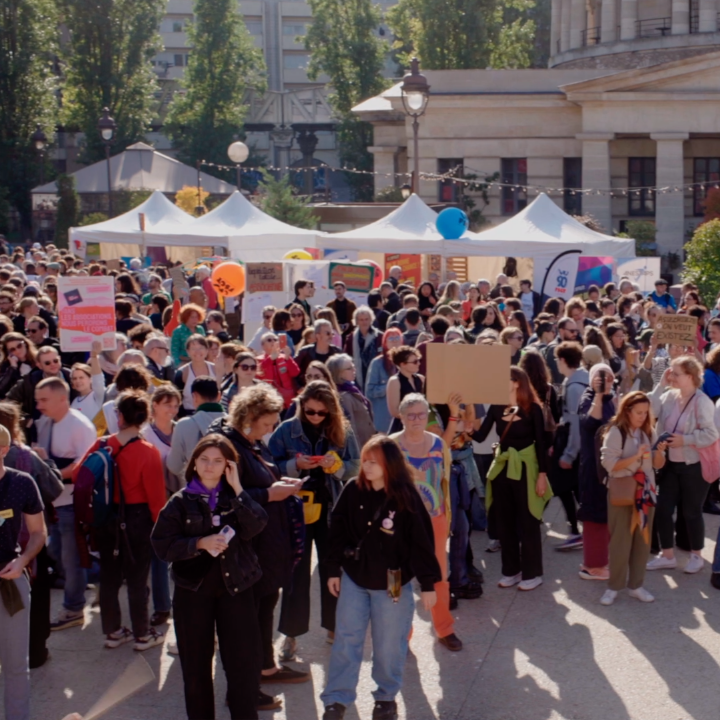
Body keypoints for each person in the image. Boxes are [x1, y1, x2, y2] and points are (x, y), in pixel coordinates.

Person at [320, 436, 440, 720]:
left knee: (389, 643)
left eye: (375, 462)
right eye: (365, 460)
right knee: (346, 640)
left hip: (393, 580)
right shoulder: (352, 489)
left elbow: (422, 542)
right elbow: (336, 531)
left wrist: (428, 584)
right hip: (355, 577)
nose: (368, 466)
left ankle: (385, 698)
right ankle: (336, 700)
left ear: (391, 466)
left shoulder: (406, 497)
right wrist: (333, 569)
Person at [151, 434, 268, 720]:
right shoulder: (180, 502)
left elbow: (257, 525)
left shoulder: (236, 498)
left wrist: (238, 489)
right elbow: (162, 545)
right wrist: (198, 543)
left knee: (243, 665)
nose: (209, 466)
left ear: (229, 466)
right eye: (204, 459)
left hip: (236, 588)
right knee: (196, 668)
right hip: (193, 591)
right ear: (194, 462)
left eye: (217, 461)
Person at [210, 384, 307, 709]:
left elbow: (258, 480)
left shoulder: (248, 442)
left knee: (263, 611)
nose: (270, 430)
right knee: (245, 625)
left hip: (264, 549)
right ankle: (243, 693)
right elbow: (222, 500)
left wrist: (279, 486)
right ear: (248, 416)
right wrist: (270, 494)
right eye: (266, 424)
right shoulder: (225, 446)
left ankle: (265, 668)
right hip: (245, 552)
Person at [268, 381, 360, 661]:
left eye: (322, 412)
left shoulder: (342, 429)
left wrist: (337, 467)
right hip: (296, 508)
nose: (316, 417)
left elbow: (356, 465)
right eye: (310, 411)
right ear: (301, 407)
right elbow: (268, 466)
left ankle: (334, 628)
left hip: (331, 507)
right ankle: (291, 635)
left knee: (333, 569)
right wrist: (295, 465)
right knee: (295, 573)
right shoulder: (286, 430)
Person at [77, 391, 166, 650]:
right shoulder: (148, 451)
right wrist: (161, 529)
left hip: (106, 517)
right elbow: (156, 498)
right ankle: (142, 634)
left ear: (120, 416)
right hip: (138, 519)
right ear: (145, 418)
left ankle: (113, 632)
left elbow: (81, 473)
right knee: (138, 580)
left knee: (109, 577)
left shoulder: (102, 444)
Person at [390, 393, 462, 651]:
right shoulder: (390, 446)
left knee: (439, 574)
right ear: (401, 417)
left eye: (421, 414)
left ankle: (444, 628)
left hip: (434, 519)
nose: (417, 419)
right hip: (399, 523)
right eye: (410, 415)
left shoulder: (438, 444)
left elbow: (444, 481)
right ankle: (398, 634)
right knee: (395, 577)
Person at [472, 367, 552, 591]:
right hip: (503, 467)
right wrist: (466, 427)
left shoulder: (533, 409)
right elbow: (481, 435)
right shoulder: (496, 407)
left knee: (528, 522)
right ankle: (511, 571)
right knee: (504, 521)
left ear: (517, 382)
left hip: (526, 468)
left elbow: (541, 444)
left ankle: (532, 574)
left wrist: (542, 476)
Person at [0, 402, 63, 669]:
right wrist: (47, 461)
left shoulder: (18, 473)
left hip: (16, 553)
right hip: (24, 552)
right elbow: (54, 488)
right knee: (34, 604)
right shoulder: (27, 456)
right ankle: (36, 653)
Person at [34, 377, 97, 631]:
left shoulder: (80, 426)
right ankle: (95, 578)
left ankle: (73, 608)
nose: (39, 405)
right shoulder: (45, 422)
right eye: (37, 400)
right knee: (58, 553)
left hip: (71, 503)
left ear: (62, 399)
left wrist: (51, 471)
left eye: (44, 400)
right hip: (52, 503)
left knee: (71, 559)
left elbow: (85, 466)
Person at [647, 356, 719, 573]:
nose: (672, 376)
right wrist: (661, 384)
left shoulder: (702, 401)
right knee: (662, 508)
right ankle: (667, 555)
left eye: (676, 373)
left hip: (693, 465)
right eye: (670, 372)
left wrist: (685, 440)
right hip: (669, 463)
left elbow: (711, 434)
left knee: (691, 511)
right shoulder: (669, 396)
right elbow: (650, 411)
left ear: (690, 376)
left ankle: (696, 556)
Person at [599, 392, 668, 605]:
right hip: (622, 492)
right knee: (620, 542)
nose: (642, 416)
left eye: (645, 412)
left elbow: (658, 465)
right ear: (627, 411)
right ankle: (613, 587)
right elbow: (609, 464)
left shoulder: (649, 431)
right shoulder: (616, 431)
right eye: (638, 412)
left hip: (646, 493)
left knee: (643, 541)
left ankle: (636, 586)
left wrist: (659, 452)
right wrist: (636, 456)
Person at [0, 423, 47, 720]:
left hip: (10, 581)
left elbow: (38, 532)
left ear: (3, 451)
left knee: (16, 664)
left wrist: (23, 560)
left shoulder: (21, 483)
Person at [141, 384, 182, 627]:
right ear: (154, 405)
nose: (173, 409)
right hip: (154, 501)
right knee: (159, 556)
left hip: (181, 498)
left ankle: (183, 604)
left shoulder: (182, 429)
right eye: (168, 404)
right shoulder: (145, 433)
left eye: (176, 405)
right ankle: (162, 606)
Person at [576, 364, 615, 581]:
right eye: (601, 377)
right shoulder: (588, 397)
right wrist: (598, 394)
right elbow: (589, 422)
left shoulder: (611, 399)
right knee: (594, 516)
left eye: (609, 377)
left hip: (607, 467)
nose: (606, 381)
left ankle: (602, 561)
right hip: (592, 468)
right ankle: (592, 566)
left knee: (606, 515)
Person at [551, 341, 589, 551]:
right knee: (574, 489)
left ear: (563, 360)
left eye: (557, 359)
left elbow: (575, 423)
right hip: (578, 444)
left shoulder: (574, 386)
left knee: (563, 487)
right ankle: (580, 530)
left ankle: (576, 531)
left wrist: (569, 454)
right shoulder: (580, 379)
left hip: (573, 445)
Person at [167, 376, 226, 478]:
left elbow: (174, 467)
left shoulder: (183, 425)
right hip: (230, 485)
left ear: (195, 396)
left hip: (196, 484)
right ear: (219, 396)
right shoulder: (236, 424)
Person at [327, 354, 376, 450]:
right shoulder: (343, 396)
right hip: (359, 448)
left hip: (367, 443)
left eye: (353, 366)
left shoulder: (352, 389)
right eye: (349, 368)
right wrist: (356, 452)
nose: (354, 370)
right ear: (338, 373)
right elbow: (350, 428)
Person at [366, 328, 403, 433]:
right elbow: (370, 391)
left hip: (404, 417)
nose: (394, 340)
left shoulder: (407, 362)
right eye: (390, 338)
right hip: (384, 419)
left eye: (397, 337)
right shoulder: (377, 363)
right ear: (385, 343)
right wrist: (391, 386)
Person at [386, 345, 424, 434]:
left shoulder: (421, 379)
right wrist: (414, 418)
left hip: (421, 425)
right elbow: (394, 411)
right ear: (403, 364)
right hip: (402, 427)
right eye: (415, 362)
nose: (419, 363)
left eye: (419, 360)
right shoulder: (395, 381)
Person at [257, 332, 301, 410]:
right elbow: (259, 375)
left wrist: (288, 358)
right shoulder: (258, 360)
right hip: (268, 400)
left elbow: (295, 373)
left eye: (275, 339)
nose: (273, 342)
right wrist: (270, 359)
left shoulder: (284, 357)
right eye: (269, 340)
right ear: (263, 346)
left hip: (287, 401)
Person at [343, 306, 381, 390]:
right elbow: (346, 357)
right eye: (361, 320)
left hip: (376, 374)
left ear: (371, 320)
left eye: (366, 319)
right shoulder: (351, 338)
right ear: (356, 321)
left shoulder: (379, 336)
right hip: (357, 376)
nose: (364, 322)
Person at [69, 341, 106, 424]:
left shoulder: (97, 395)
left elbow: (98, 379)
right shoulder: (75, 402)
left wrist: (94, 356)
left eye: (81, 377)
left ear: (90, 379)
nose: (78, 381)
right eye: (75, 378)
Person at [0, 333, 36, 399]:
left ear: (25, 343)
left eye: (19, 346)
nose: (17, 350)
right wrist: (13, 368)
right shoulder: (6, 366)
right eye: (12, 349)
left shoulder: (37, 359)